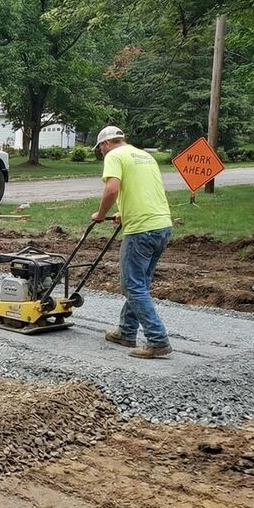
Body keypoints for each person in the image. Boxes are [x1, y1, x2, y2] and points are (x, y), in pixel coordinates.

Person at [91, 126, 172, 358]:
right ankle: (126, 331)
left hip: (141, 230)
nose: (102, 154)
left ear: (106, 144)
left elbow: (112, 189)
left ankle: (157, 339)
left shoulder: (115, 156)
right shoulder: (145, 156)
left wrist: (100, 213)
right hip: (162, 225)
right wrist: (123, 213)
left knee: (132, 286)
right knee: (141, 284)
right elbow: (144, 191)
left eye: (100, 150)